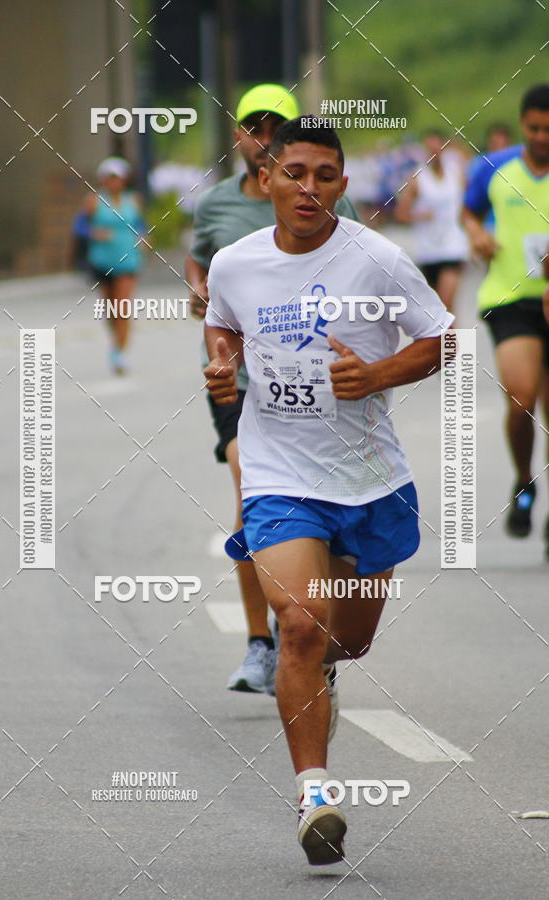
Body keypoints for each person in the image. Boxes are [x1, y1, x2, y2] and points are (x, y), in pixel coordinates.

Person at [204, 117, 452, 864]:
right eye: (295, 173)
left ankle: (321, 672)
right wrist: (222, 364)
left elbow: (441, 338)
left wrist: (376, 375)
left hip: (371, 481)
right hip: (281, 474)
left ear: (343, 184)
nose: (308, 188)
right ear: (267, 179)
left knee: (351, 638)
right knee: (302, 626)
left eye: (325, 176)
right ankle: (315, 797)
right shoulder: (234, 264)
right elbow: (224, 326)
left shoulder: (377, 260)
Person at [186, 85, 360, 695]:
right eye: (251, 128)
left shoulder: (324, 200)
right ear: (238, 136)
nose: (261, 139)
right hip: (238, 382)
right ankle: (263, 642)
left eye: (273, 128)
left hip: (316, 385)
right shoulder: (215, 207)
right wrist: (202, 297)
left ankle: (312, 630)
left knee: (327, 508)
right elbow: (198, 264)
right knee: (249, 486)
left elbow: (359, 268)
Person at [463, 84, 549, 550]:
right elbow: (469, 212)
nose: (541, 137)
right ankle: (523, 479)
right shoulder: (493, 168)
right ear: (522, 124)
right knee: (521, 398)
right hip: (511, 297)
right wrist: (477, 234)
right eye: (533, 128)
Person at [78, 157, 146, 375]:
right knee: (110, 308)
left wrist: (144, 237)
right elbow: (79, 226)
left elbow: (139, 223)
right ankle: (115, 341)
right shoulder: (94, 201)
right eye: (110, 178)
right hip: (102, 259)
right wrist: (93, 233)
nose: (114, 183)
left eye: (117, 178)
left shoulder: (133, 200)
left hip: (127, 258)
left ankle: (120, 353)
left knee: (122, 306)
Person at [395, 129, 469, 319]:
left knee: (449, 303)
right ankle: (440, 349)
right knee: (435, 311)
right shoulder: (417, 178)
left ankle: (461, 350)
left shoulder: (457, 173)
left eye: (438, 149)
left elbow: (470, 205)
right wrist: (419, 216)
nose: (434, 154)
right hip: (428, 250)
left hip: (454, 246)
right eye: (430, 150)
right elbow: (401, 214)